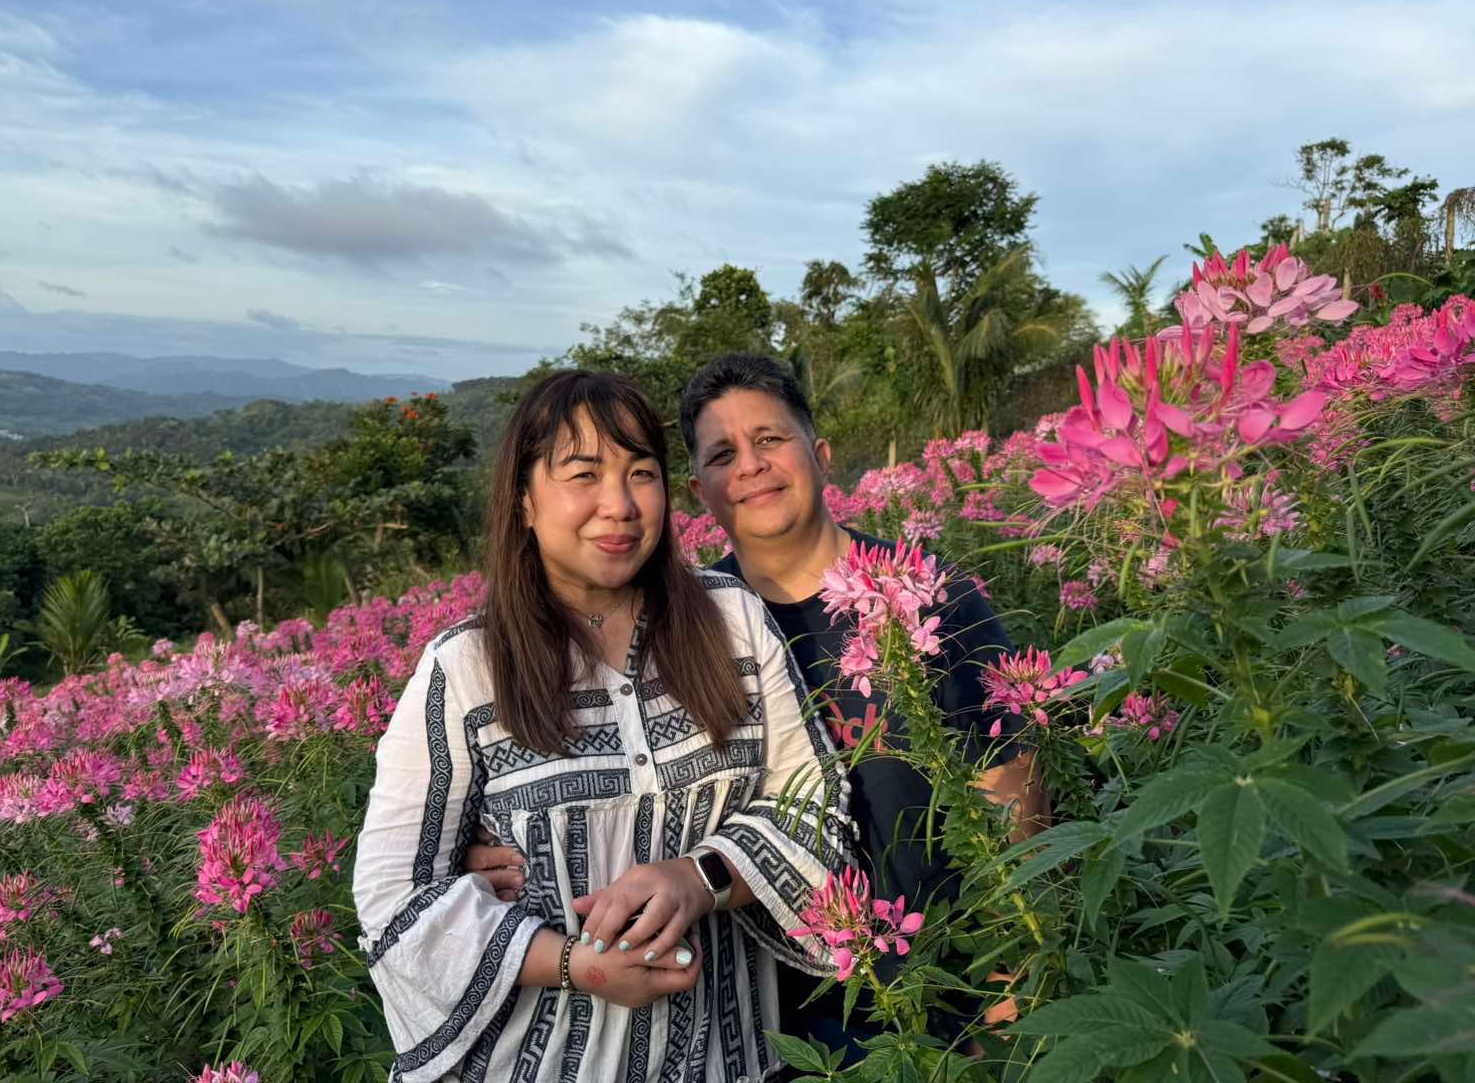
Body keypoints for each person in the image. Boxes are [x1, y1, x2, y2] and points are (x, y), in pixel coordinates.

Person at [468, 354, 1043, 1066]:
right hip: (784, 1012)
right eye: (721, 454)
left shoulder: (929, 592)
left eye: (770, 440)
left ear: (820, 454)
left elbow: (1010, 784)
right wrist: (493, 846)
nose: (751, 467)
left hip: (957, 970)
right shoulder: (689, 630)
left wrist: (1015, 963)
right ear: (701, 490)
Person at [353, 370, 852, 1083]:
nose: (617, 505)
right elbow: (393, 902)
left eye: (640, 473)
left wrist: (699, 876)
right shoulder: (464, 668)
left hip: (729, 1058)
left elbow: (818, 806)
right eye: (582, 474)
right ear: (524, 500)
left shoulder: (731, 620)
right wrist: (571, 963)